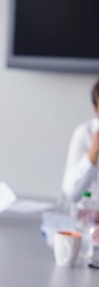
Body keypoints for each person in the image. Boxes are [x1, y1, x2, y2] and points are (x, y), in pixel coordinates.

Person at [61, 77, 99, 205]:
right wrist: (93, 152)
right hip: (88, 221)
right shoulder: (84, 133)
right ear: (95, 109)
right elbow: (71, 194)